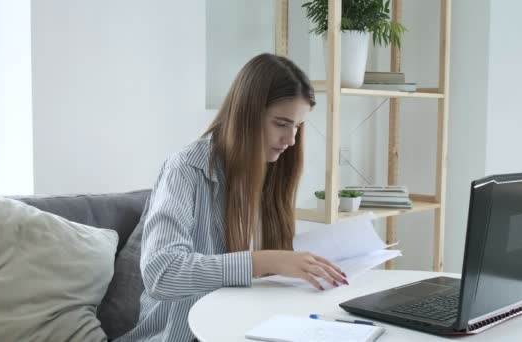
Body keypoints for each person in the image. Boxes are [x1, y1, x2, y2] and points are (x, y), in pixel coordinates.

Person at [116, 53, 348, 342]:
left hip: (246, 330)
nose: (290, 140)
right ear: (247, 114)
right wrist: (263, 261)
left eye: (298, 127)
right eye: (281, 124)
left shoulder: (272, 172)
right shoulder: (186, 169)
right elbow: (161, 272)